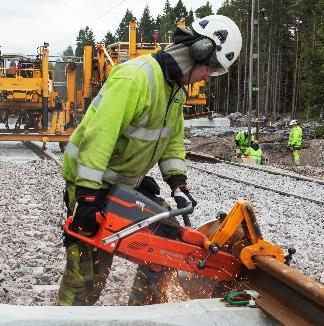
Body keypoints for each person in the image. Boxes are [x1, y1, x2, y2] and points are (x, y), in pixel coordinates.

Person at [57, 14, 242, 306]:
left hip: (121, 184)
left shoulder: (175, 91)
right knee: (86, 274)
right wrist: (88, 198)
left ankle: (141, 310)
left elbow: (172, 140)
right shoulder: (135, 77)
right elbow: (99, 137)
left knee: (166, 245)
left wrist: (178, 183)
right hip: (89, 182)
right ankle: (66, 318)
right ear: (199, 51)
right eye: (212, 68)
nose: (209, 76)